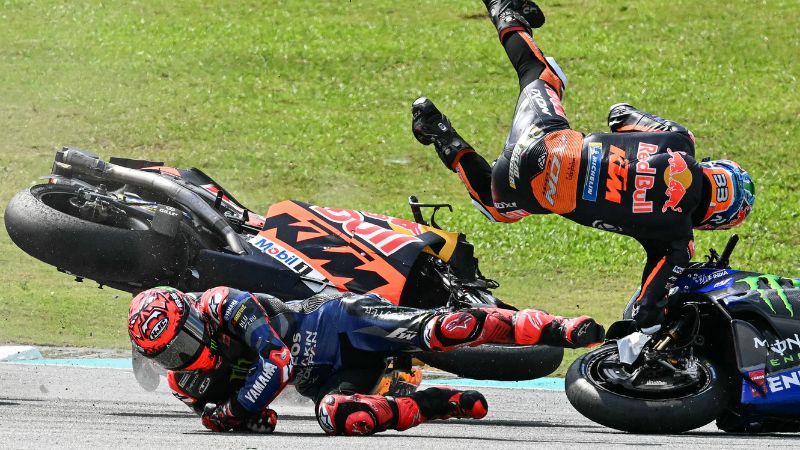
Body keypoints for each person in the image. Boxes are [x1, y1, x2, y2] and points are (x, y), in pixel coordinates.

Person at [411, 0, 755, 333]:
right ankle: (443, 136)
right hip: (520, 185)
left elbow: (619, 114)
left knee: (540, 74)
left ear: (714, 167)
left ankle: (504, 10)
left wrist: (635, 152)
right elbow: (647, 309)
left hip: (541, 138)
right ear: (712, 221)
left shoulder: (681, 140)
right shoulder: (677, 241)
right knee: (495, 207)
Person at [128, 285, 604, 435]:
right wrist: (236, 418)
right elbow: (264, 421)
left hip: (342, 323)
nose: (182, 356)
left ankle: (553, 327)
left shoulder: (222, 303)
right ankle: (437, 403)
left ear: (194, 317)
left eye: (184, 341)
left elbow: (275, 361)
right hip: (340, 375)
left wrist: (233, 413)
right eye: (168, 354)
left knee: (439, 329)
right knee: (338, 417)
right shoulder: (186, 384)